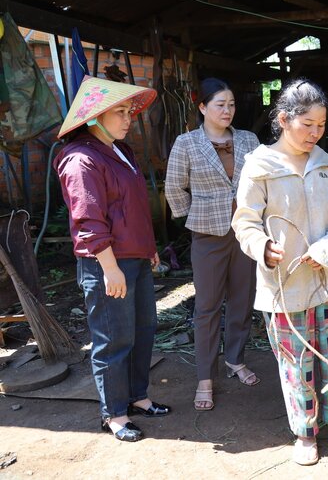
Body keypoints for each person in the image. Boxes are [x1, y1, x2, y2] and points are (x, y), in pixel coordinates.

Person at [231, 79, 328, 466]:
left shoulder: (325, 162)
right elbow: (244, 221)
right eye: (307, 124)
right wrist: (261, 248)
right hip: (284, 286)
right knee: (297, 362)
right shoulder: (260, 165)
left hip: (327, 280)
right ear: (283, 120)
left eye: (321, 124)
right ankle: (305, 431)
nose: (315, 132)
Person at [54, 76, 171, 442]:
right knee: (113, 339)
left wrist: (149, 247)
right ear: (93, 117)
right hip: (107, 263)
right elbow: (88, 221)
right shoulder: (80, 159)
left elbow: (133, 208)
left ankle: (137, 397)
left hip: (135, 258)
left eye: (128, 112)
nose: (128, 118)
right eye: (119, 112)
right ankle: (114, 414)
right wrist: (109, 268)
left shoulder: (122, 151)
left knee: (143, 330)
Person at [164, 78, 261, 412]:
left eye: (232, 104)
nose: (227, 110)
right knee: (206, 306)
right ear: (202, 107)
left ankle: (235, 358)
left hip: (246, 233)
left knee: (242, 299)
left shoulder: (248, 139)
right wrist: (194, 217)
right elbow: (174, 187)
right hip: (207, 235)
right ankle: (205, 375)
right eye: (220, 104)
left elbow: (262, 181)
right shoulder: (187, 143)